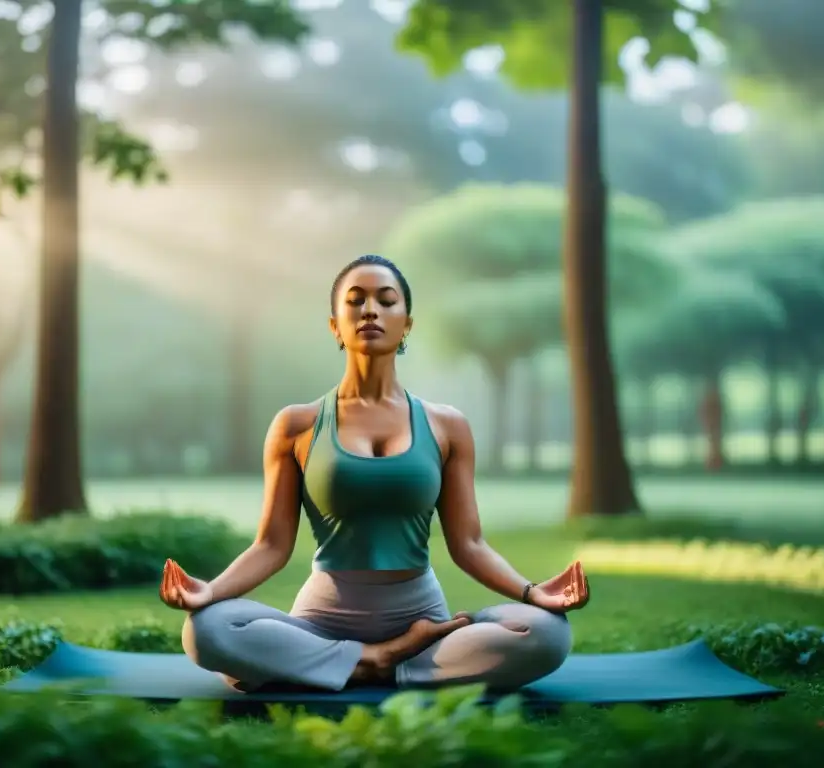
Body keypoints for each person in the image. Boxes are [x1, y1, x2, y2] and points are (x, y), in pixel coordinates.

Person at [159, 254, 590, 693]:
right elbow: (271, 545)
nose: (370, 310)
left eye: (386, 301)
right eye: (355, 300)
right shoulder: (298, 424)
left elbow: (470, 545)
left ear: (406, 324)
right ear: (335, 326)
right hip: (322, 621)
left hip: (422, 621)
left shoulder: (447, 425)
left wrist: (531, 593)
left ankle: (323, 667)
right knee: (206, 630)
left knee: (549, 634)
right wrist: (208, 593)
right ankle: (378, 662)